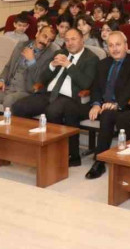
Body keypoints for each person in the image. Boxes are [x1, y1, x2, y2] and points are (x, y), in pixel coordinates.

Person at [11, 28, 98, 166]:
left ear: (82, 40)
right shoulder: (60, 53)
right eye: (67, 40)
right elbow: (42, 78)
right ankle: (29, 147)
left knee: (53, 110)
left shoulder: (91, 58)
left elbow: (85, 82)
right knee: (19, 107)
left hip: (70, 98)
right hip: (48, 94)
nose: (69, 43)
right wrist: (52, 65)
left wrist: (69, 65)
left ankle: (57, 152)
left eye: (73, 39)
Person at [84, 31, 130, 180]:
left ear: (126, 46)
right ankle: (72, 155)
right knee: (69, 108)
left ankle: (99, 162)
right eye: (110, 45)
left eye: (118, 44)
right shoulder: (103, 64)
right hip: (102, 105)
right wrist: (95, 104)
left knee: (107, 116)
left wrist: (116, 104)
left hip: (125, 107)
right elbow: (96, 88)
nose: (115, 49)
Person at [0, 26, 57, 120]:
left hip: (26, 91)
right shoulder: (21, 45)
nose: (45, 42)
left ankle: (8, 133)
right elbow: (8, 66)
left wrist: (31, 61)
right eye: (44, 36)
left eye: (49, 40)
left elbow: (40, 79)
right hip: (9, 87)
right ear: (37, 33)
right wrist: (1, 80)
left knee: (9, 100)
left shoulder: (50, 55)